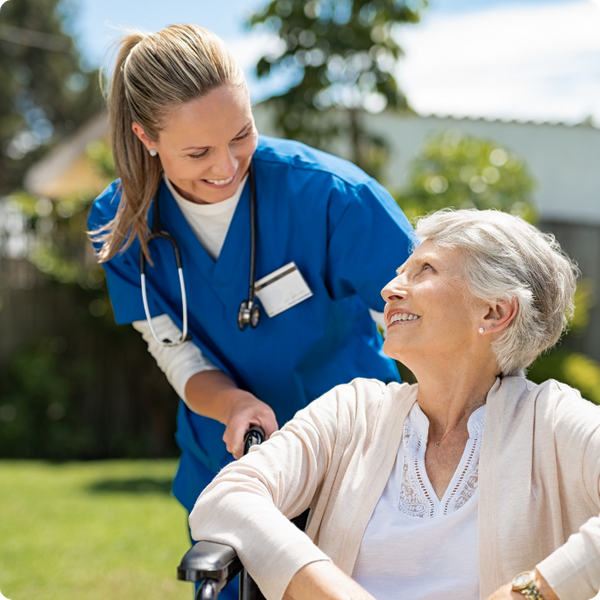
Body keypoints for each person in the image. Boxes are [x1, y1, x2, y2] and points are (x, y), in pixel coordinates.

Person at [87, 22, 413, 587]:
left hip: (357, 463)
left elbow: (433, 325)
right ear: (146, 137)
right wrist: (233, 404)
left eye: (241, 134)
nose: (226, 166)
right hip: (231, 468)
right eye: (197, 151)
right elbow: (176, 353)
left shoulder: (334, 199)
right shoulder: (121, 226)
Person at [189, 208, 600, 600]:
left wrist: (530, 591)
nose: (390, 288)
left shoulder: (552, 421)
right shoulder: (352, 411)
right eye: (402, 271)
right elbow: (226, 498)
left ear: (494, 312)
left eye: (425, 270)